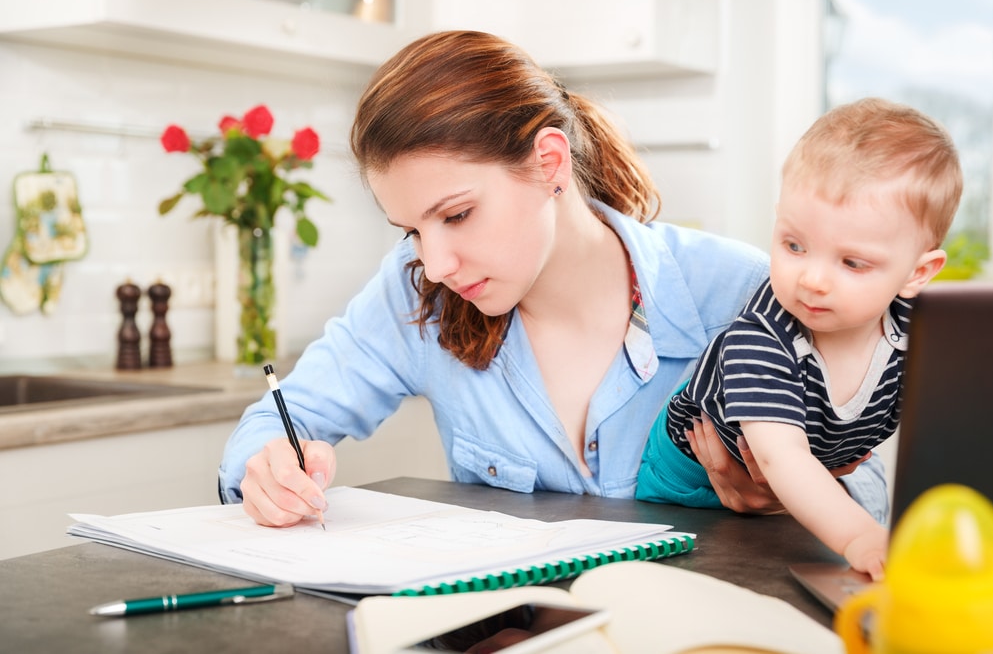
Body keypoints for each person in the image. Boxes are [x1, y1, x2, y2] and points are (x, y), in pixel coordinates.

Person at [217, 30, 888, 528]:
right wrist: (267, 465)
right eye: (412, 230)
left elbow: (887, 492)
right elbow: (275, 423)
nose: (438, 262)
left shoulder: (745, 295)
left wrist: (790, 499)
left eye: (456, 214)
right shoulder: (414, 288)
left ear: (549, 161)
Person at [637, 97, 963, 579]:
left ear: (917, 273)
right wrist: (860, 537)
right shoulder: (761, 338)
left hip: (801, 477)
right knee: (715, 568)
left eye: (851, 262)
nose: (812, 279)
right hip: (693, 478)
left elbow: (953, 429)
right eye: (794, 245)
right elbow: (781, 458)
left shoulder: (919, 332)